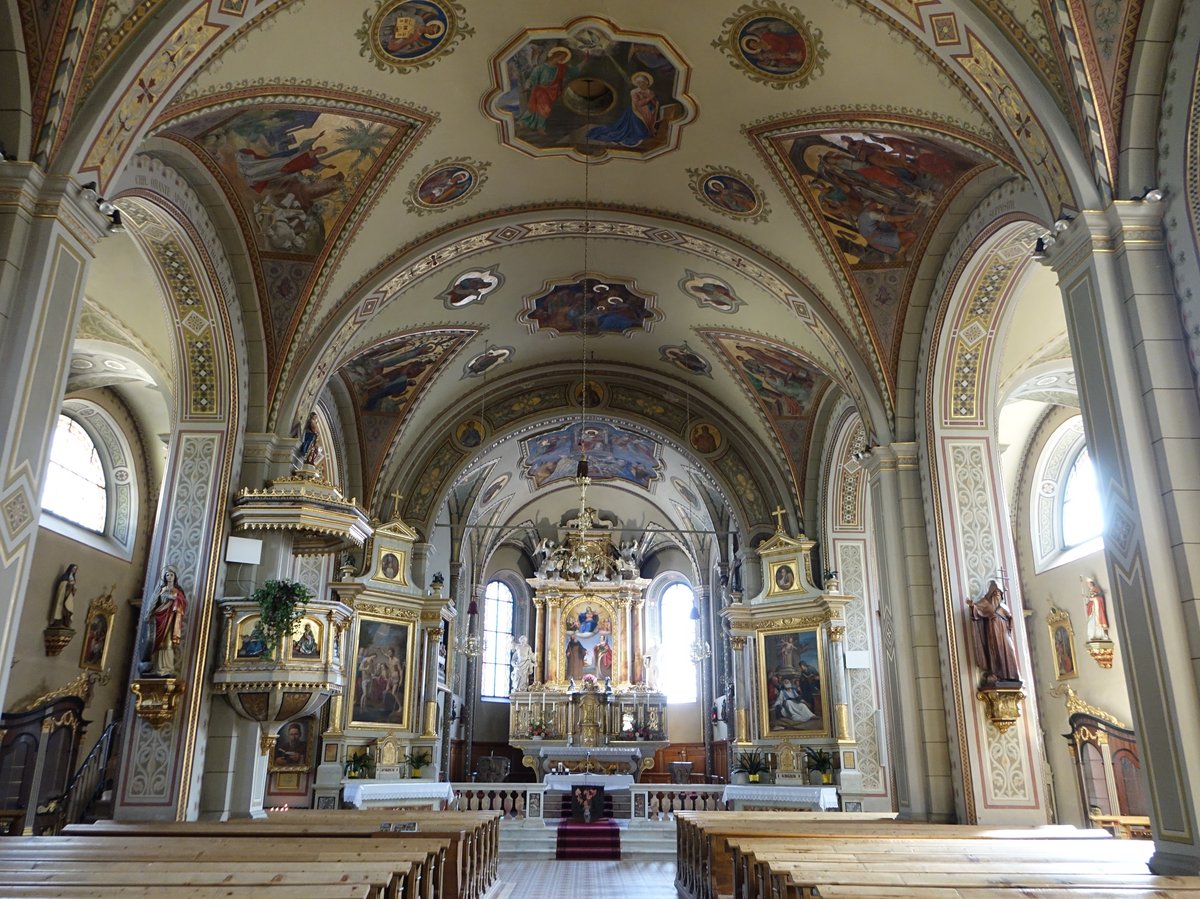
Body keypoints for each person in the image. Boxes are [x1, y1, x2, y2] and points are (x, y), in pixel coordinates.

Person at [968, 580, 1021, 686]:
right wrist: (972, 606)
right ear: (991, 594)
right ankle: (998, 674)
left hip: (1005, 632)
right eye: (995, 593)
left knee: (1010, 650)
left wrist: (1009, 620)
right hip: (993, 631)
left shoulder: (1004, 606)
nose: (997, 595)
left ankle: (1012, 675)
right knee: (996, 652)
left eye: (999, 593)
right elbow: (977, 609)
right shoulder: (986, 603)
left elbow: (1009, 618)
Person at [149, 566, 186, 676]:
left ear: (175, 577)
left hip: (171, 618)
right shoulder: (161, 590)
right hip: (160, 617)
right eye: (167, 575)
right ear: (165, 577)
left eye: (171, 575)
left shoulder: (178, 591)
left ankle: (167, 668)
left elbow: (183, 603)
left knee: (168, 642)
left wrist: (175, 599)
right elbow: (154, 604)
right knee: (159, 642)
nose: (169, 577)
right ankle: (158, 668)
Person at [1084, 577, 1110, 641]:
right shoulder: (1090, 591)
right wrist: (1088, 602)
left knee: (1098, 621)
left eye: (1089, 583)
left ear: (1092, 583)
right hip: (1092, 610)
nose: (1088, 585)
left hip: (1097, 609)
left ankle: (1101, 634)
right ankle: (1093, 635)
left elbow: (1100, 598)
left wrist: (1094, 599)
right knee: (1091, 622)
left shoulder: (1096, 589)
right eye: (1088, 584)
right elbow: (1090, 600)